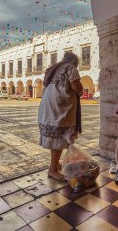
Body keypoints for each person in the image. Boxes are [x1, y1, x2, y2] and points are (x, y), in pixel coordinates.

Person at [38, 52, 83, 181]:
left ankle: (55, 164)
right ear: (74, 62)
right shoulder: (70, 68)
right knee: (60, 137)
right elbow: (77, 88)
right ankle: (52, 169)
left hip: (48, 107)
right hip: (60, 108)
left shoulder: (53, 69)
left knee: (55, 137)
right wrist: (80, 89)